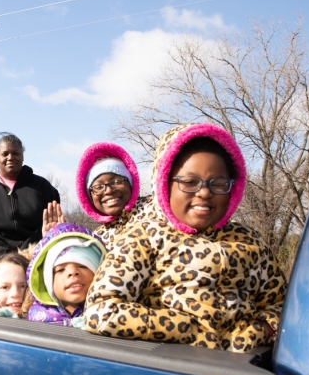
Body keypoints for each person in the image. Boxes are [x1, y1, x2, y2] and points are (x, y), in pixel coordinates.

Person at [84, 123, 287, 353]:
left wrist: (259, 331)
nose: (204, 192)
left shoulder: (248, 241)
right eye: (189, 182)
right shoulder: (144, 237)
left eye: (218, 184)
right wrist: (187, 328)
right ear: (165, 183)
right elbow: (102, 311)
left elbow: (281, 305)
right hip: (175, 373)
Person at [0, 133, 61, 280]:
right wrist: (4, 253)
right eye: (5, 154)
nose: (10, 157)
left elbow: (49, 224)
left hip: (34, 250)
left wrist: (26, 251)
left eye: (16, 153)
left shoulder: (42, 187)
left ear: (22, 156)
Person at [26, 224, 104, 326]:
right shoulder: (36, 318)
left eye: (82, 265)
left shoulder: (108, 313)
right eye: (60, 270)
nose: (72, 272)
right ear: (48, 281)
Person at [75, 142, 150, 249]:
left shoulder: (154, 209)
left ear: (131, 184)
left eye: (116, 182)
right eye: (99, 187)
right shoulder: (96, 242)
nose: (109, 191)